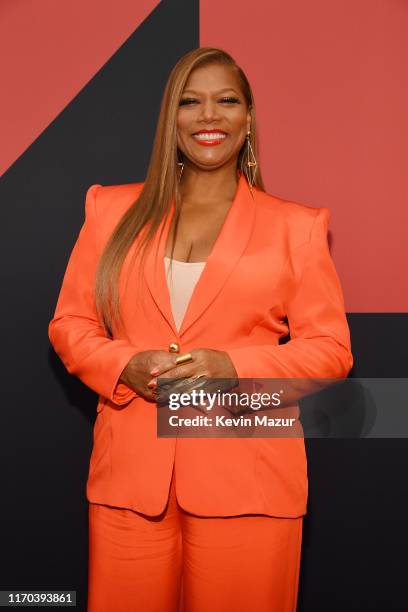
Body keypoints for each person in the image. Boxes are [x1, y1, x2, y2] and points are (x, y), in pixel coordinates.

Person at [48, 47, 353, 612]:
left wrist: (233, 367)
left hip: (251, 484)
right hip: (130, 488)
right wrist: (123, 366)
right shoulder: (111, 211)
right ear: (172, 116)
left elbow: (331, 351)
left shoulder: (298, 227)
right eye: (191, 102)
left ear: (248, 118)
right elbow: (71, 323)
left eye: (226, 101)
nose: (208, 116)